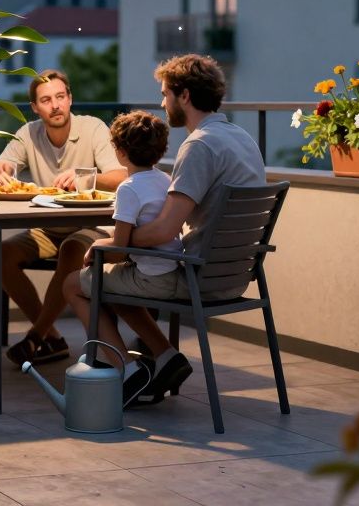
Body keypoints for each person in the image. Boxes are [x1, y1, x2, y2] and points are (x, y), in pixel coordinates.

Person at [82, 53, 266, 404]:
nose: (162, 102)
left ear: (184, 95)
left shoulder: (199, 146)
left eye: (165, 94)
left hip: (198, 279)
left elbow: (164, 230)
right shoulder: (240, 137)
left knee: (79, 282)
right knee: (123, 275)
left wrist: (110, 242)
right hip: (236, 275)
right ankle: (164, 357)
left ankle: (128, 373)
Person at [0, 69, 127, 367]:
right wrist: (0, 174)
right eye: (46, 100)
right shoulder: (28, 133)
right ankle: (52, 337)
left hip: (91, 225)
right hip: (48, 228)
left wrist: (84, 177)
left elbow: (120, 176)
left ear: (70, 99)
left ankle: (36, 336)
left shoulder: (93, 128)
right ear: (36, 108)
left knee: (73, 249)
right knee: (0, 254)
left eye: (61, 97)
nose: (56, 105)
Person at [61, 110, 183, 407]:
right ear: (161, 148)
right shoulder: (165, 179)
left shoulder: (128, 188)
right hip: (173, 273)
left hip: (149, 278)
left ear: (120, 152)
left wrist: (95, 246)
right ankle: (167, 355)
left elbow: (119, 247)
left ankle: (127, 370)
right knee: (112, 286)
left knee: (71, 284)